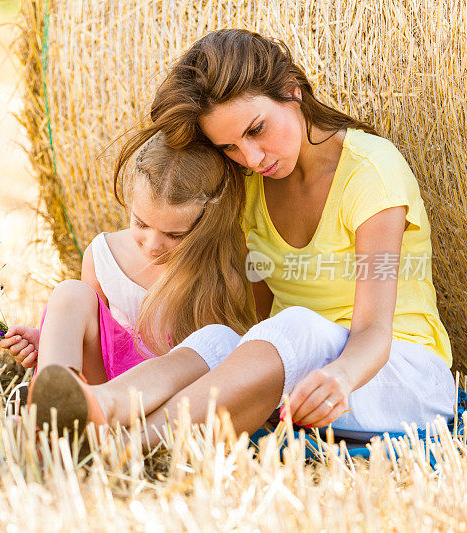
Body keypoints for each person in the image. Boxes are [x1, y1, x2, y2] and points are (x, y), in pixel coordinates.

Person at [28, 29, 457, 444]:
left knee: (297, 326)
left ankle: (122, 447)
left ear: (292, 90)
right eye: (230, 147)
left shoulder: (372, 174)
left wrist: (340, 376)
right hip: (304, 372)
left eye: (256, 130)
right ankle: (101, 406)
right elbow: (255, 325)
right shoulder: (250, 186)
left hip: (395, 375)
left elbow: (372, 332)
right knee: (220, 339)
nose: (251, 158)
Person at [0, 132, 257, 423]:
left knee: (217, 341)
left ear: (207, 223)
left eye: (176, 235)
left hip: (166, 399)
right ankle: (52, 405)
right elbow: (94, 330)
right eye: (141, 223)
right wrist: (54, 340)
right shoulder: (103, 255)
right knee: (71, 293)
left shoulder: (218, 270)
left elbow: (219, 357)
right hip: (101, 386)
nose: (152, 245)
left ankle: (87, 419)